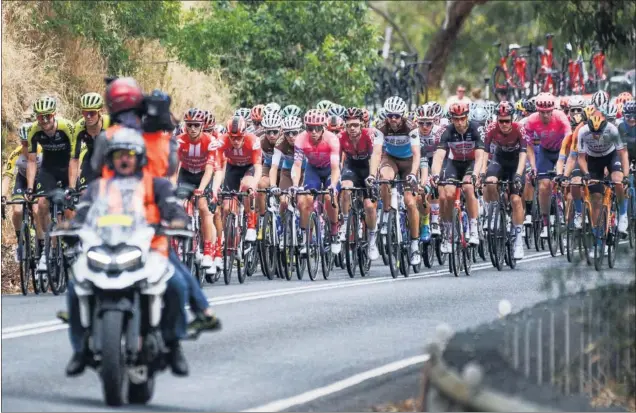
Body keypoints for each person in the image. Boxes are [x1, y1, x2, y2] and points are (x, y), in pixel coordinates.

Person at [24, 96, 78, 273]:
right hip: (48, 169)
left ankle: (73, 244)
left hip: (67, 166)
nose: (44, 120)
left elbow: (74, 158)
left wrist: (71, 186)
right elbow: (32, 161)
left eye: (47, 116)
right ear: (36, 118)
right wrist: (30, 188)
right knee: (41, 204)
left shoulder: (66, 127)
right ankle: (49, 251)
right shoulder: (34, 130)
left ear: (54, 114)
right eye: (40, 117)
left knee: (69, 208)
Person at [368, 96, 421, 265]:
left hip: (408, 162)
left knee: (410, 203)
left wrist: (413, 174)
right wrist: (371, 174)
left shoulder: (411, 126)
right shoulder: (381, 126)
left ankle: (414, 244)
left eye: (396, 116)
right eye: (390, 115)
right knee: (384, 179)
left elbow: (417, 153)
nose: (393, 119)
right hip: (390, 158)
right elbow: (376, 153)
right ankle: (386, 215)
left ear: (402, 116)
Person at [74, 92, 111, 192]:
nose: (88, 116)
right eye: (85, 113)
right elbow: (74, 159)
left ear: (101, 111)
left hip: (109, 159)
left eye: (92, 113)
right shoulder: (79, 126)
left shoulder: (110, 123)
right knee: (83, 193)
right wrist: (72, 186)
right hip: (90, 158)